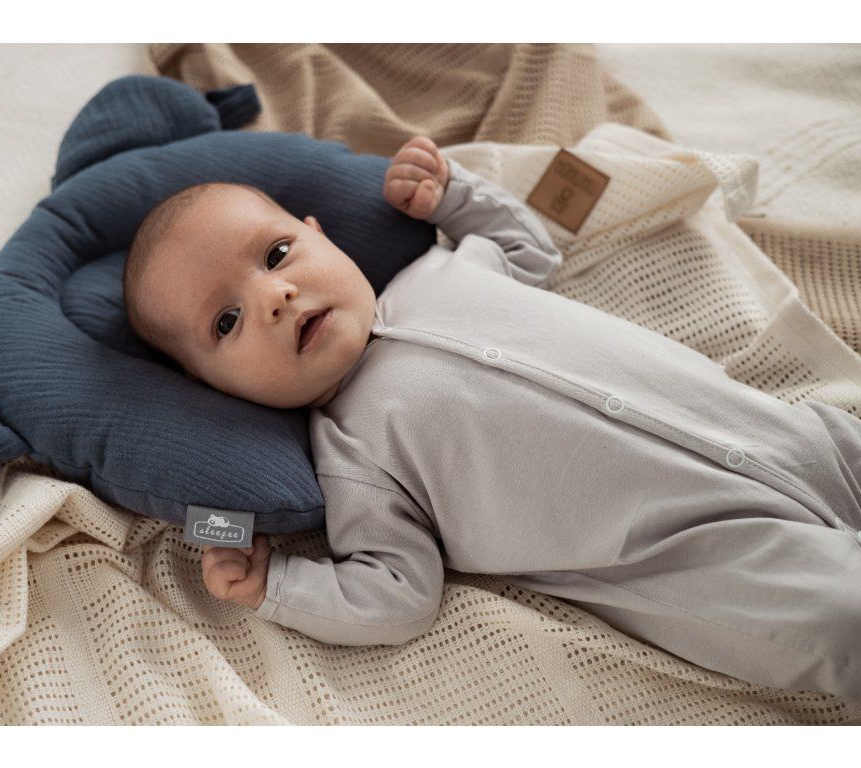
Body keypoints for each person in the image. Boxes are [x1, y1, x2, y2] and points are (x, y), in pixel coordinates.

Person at [123, 136, 861, 702]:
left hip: (787, 437)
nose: (272, 297)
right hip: (695, 555)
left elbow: (527, 246)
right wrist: (274, 584)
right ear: (210, 386)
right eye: (226, 321)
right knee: (840, 621)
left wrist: (453, 196)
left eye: (279, 253)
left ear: (323, 234)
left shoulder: (439, 270)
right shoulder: (351, 456)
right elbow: (394, 592)